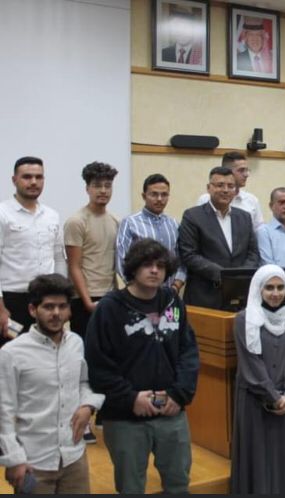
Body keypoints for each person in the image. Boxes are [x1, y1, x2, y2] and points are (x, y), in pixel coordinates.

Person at [85, 239, 200, 494]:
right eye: (147, 264)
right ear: (133, 268)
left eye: (160, 265)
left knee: (179, 485)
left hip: (171, 411)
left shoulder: (172, 302)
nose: (155, 270)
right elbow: (98, 365)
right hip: (126, 417)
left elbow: (188, 352)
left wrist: (179, 394)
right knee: (131, 488)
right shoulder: (109, 308)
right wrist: (130, 398)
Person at [0, 274, 104, 494]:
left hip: (74, 457)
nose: (56, 313)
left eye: (62, 306)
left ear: (69, 310)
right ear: (32, 310)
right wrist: (13, 458)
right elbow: (3, 410)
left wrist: (88, 405)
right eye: (48, 307)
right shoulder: (11, 353)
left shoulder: (76, 343)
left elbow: (84, 382)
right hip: (33, 462)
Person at [230, 265, 285, 494]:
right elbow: (250, 364)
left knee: (284, 459)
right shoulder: (244, 319)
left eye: (281, 287)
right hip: (255, 400)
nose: (276, 293)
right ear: (259, 289)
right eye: (269, 288)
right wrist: (273, 397)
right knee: (259, 458)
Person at [0, 156, 66, 343]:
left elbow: (59, 258)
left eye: (39, 177)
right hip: (12, 300)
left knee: (45, 350)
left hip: (45, 299)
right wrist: (1, 309)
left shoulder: (52, 215)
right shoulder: (3, 213)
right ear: (14, 180)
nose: (34, 182)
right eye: (27, 177)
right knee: (11, 353)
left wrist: (61, 298)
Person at [179, 166, 259, 309]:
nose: (225, 190)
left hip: (239, 295)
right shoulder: (193, 216)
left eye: (230, 186)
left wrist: (240, 277)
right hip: (205, 296)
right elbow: (189, 255)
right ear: (209, 188)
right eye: (220, 185)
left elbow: (253, 253)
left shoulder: (245, 217)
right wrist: (224, 276)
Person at [64, 162, 119, 340]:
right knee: (85, 349)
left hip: (110, 295)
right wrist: (87, 302)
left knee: (110, 348)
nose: (103, 191)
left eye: (108, 186)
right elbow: (74, 266)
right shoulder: (76, 221)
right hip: (84, 298)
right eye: (97, 185)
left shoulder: (115, 221)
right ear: (87, 188)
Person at [116, 174, 186, 292]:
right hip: (140, 294)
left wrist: (176, 286)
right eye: (154, 194)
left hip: (169, 293)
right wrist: (135, 289)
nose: (159, 199)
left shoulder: (174, 224)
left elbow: (181, 260)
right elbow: (121, 260)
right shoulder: (130, 223)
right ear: (144, 196)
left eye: (164, 195)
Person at [197, 151, 263, 230]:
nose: (246, 174)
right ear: (227, 171)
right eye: (241, 170)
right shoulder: (205, 199)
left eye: (247, 170)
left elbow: (258, 231)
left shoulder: (252, 200)